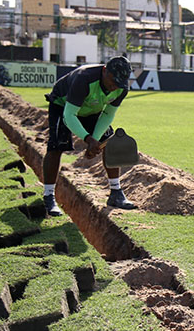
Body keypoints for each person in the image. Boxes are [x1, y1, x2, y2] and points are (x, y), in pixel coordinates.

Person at [42, 55, 137, 216]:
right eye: (113, 81)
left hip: (92, 110)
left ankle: (116, 193)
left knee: (110, 143)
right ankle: (49, 196)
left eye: (119, 83)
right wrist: (88, 139)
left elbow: (107, 114)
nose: (114, 86)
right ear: (105, 71)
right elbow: (69, 115)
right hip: (62, 105)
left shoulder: (121, 88)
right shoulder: (84, 79)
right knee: (56, 146)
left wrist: (96, 141)